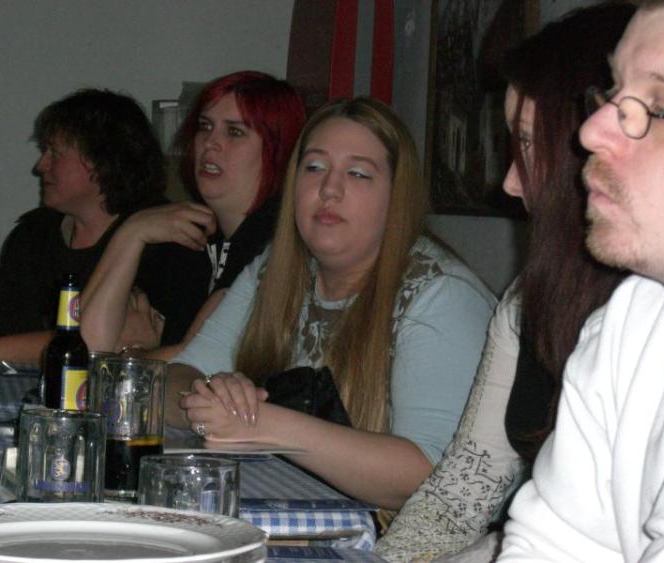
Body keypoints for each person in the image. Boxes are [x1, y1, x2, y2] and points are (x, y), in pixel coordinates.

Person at [374, 3, 633, 561]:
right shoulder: (525, 301)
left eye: (529, 145)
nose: (510, 183)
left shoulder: (660, 315)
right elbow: (459, 495)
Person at [169, 97, 496, 511]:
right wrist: (211, 397)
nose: (329, 189)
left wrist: (261, 423)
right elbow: (175, 379)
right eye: (314, 167)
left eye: (358, 174)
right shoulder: (273, 269)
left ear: (397, 196)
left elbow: (431, 476)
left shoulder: (440, 295)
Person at [498, 1, 664, 560]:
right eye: (612, 91)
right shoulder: (634, 319)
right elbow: (554, 542)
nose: (590, 129)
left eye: (659, 106)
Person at [80, 71, 306, 357]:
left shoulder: (275, 234)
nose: (210, 142)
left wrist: (128, 358)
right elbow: (84, 345)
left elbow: (196, 358)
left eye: (235, 132)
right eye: (205, 126)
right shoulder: (190, 233)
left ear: (277, 149)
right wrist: (131, 233)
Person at [0, 88, 208, 365]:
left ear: (103, 161)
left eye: (55, 152)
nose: (41, 165)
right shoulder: (32, 234)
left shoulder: (166, 240)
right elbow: (7, 337)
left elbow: (176, 350)